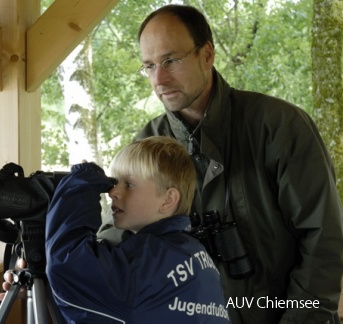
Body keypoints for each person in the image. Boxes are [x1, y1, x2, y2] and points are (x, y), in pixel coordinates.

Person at [97, 4, 343, 324]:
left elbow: (324, 241)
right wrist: (43, 271)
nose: (159, 78)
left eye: (170, 60)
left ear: (207, 55)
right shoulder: (146, 145)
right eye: (149, 65)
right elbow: (114, 242)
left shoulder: (279, 126)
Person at [45, 136, 230, 323]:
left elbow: (67, 264)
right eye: (115, 182)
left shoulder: (146, 259)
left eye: (129, 184)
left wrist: (79, 187)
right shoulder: (193, 253)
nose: (113, 192)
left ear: (167, 200)